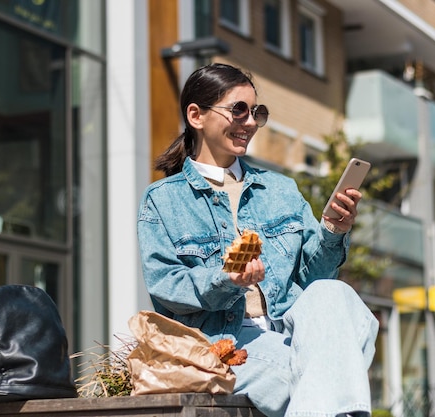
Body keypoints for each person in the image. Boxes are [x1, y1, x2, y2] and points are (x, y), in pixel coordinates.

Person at [137, 62, 379, 417]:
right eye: (238, 110)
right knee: (326, 377)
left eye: (256, 113)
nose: (250, 123)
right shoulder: (162, 200)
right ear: (196, 115)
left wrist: (333, 231)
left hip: (295, 329)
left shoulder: (280, 190)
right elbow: (166, 285)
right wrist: (225, 279)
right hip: (227, 345)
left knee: (335, 294)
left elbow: (314, 280)